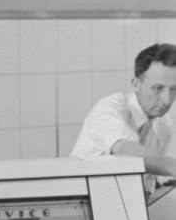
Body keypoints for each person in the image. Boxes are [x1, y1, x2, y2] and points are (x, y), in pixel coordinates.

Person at [70, 42, 176, 195]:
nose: (167, 100)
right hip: (79, 208)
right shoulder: (109, 109)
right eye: (158, 88)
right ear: (136, 84)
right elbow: (125, 150)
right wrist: (171, 166)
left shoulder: (163, 124)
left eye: (174, 89)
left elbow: (147, 185)